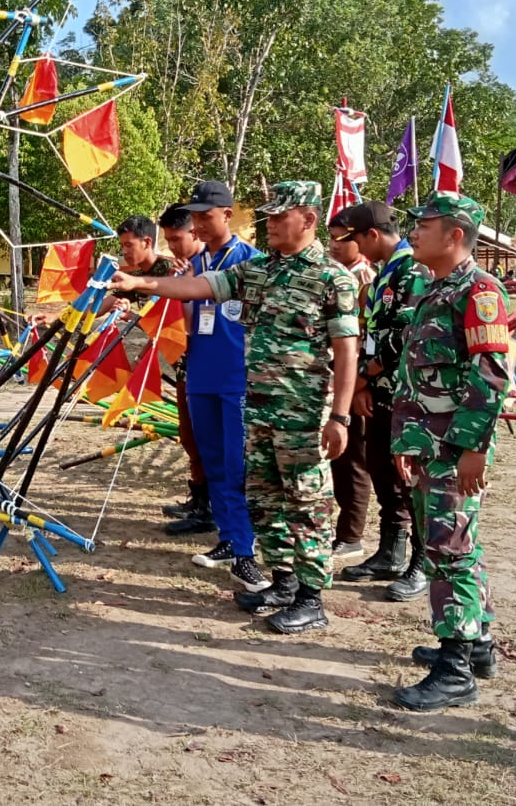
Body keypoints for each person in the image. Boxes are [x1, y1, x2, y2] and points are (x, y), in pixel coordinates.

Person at [113, 180, 360, 633]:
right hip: (259, 409)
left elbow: (347, 350)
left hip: (300, 414)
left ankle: (311, 596)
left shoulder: (332, 277)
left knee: (306, 503)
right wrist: (141, 281)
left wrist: (339, 416)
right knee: (264, 499)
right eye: (266, 217)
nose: (269, 224)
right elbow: (198, 288)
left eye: (279, 217)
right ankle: (283, 580)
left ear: (307, 219)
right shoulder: (261, 270)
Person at [391, 192, 509, 711]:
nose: (413, 232)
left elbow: (492, 375)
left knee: (450, 550)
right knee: (453, 542)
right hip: (428, 446)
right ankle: (476, 642)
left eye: (424, 224)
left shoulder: (480, 291)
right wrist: (408, 442)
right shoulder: (432, 288)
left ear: (455, 235)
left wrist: (472, 449)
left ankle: (455, 667)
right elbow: (418, 376)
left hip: (454, 449)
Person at [161, 182, 262, 596]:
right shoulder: (197, 262)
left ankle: (245, 553)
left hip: (236, 378)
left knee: (238, 468)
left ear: (226, 214)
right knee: (213, 462)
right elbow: (191, 316)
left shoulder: (250, 261)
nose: (199, 224)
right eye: (195, 216)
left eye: (206, 216)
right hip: (201, 375)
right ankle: (228, 537)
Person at [333, 201, 428, 600]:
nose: (349, 246)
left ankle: (422, 561)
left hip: (408, 393)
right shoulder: (385, 274)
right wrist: (366, 385)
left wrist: (361, 378)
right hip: (381, 391)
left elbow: (402, 337)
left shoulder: (413, 271)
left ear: (371, 235)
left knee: (409, 479)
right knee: (382, 470)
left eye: (351, 238)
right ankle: (391, 550)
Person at [324, 209, 379, 562]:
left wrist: (358, 386)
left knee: (354, 459)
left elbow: (366, 339)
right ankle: (345, 528)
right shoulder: (339, 275)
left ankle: (351, 533)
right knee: (340, 461)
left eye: (340, 239)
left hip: (359, 380)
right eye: (330, 238)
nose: (332, 246)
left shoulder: (364, 279)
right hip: (343, 377)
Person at [155, 205, 211, 526]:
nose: (173, 246)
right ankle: (199, 498)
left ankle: (212, 506)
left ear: (194, 232)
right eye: (169, 240)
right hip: (185, 364)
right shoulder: (177, 268)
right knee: (189, 435)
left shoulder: (213, 265)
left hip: (212, 365)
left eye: (177, 239)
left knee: (208, 438)